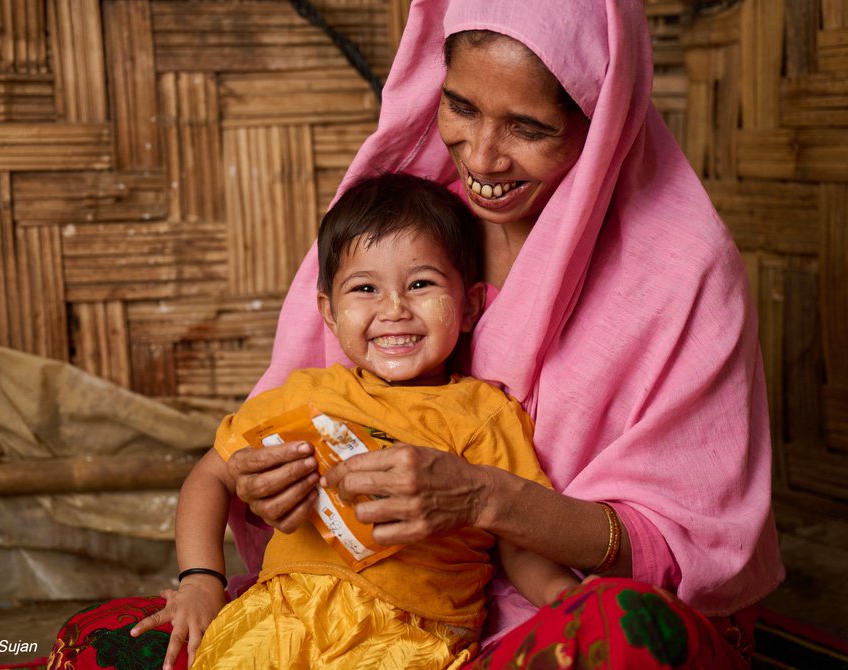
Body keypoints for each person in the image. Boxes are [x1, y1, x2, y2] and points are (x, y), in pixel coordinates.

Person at [50, 0, 783, 670]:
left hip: (533, 621)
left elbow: (693, 545)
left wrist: (485, 501)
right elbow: (247, 458)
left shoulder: (681, 276)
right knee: (116, 643)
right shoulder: (409, 222)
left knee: (627, 641)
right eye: (461, 107)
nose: (483, 158)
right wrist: (265, 493)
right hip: (341, 610)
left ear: (603, 122)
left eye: (529, 127)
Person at [147, 172, 579, 669]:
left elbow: (518, 541)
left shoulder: (484, 415)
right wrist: (202, 580)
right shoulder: (307, 394)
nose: (394, 309)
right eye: (365, 288)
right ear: (328, 314)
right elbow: (210, 475)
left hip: (411, 637)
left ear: (470, 306)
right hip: (274, 623)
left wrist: (566, 602)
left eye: (421, 284)